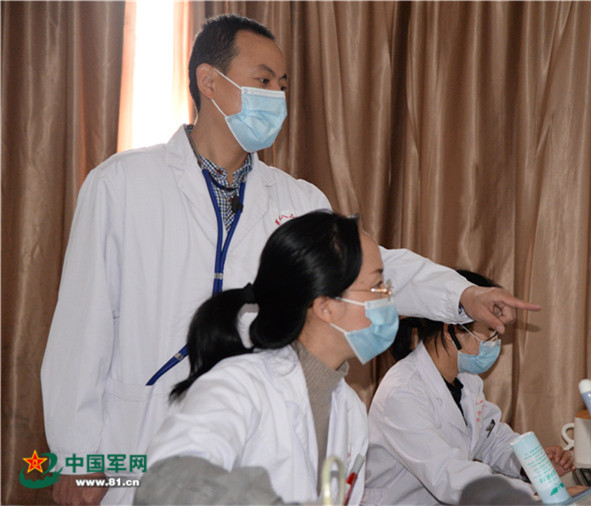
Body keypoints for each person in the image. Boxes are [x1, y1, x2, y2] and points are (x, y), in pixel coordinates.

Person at [40, 14, 539, 505]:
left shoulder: (296, 199)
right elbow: (82, 327)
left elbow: (370, 269)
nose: (277, 97)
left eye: (282, 85)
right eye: (263, 81)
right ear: (209, 81)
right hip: (136, 439)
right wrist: (76, 456)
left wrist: (462, 294)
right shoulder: (122, 184)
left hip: (259, 446)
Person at [137, 210, 389, 504]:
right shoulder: (238, 387)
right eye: (377, 286)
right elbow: (168, 483)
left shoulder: (350, 411)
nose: (387, 296)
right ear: (325, 307)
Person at [362, 270, 571, 505]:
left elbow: (491, 438)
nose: (495, 342)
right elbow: (449, 475)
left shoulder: (466, 380)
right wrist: (538, 494)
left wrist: (531, 464)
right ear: (453, 330)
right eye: (490, 330)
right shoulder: (402, 392)